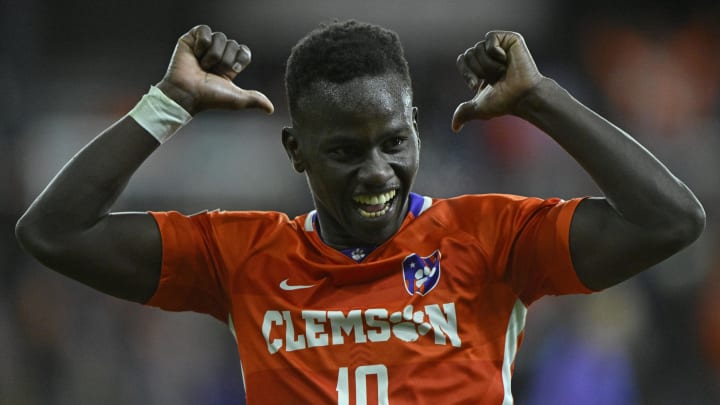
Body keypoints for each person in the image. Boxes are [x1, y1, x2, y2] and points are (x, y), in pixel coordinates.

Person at [15, 20, 705, 404]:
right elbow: (54, 231)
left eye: (394, 142)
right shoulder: (241, 256)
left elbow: (669, 219)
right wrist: (167, 103)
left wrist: (541, 99)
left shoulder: (491, 238)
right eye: (345, 150)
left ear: (417, 133)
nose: (377, 171)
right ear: (297, 151)